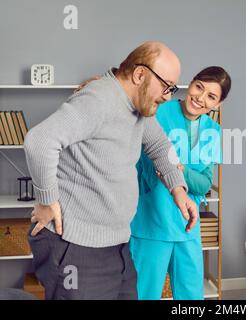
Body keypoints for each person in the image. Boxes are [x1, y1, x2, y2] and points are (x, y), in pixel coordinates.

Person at [24, 41, 198, 300]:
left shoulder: (138, 108)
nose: (168, 96)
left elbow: (160, 145)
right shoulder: (99, 99)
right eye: (166, 86)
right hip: (76, 246)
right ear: (140, 75)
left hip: (116, 245)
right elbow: (39, 141)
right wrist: (47, 201)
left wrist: (178, 187)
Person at [130, 66, 231, 299]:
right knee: (145, 294)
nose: (200, 98)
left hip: (187, 227)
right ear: (191, 83)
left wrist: (177, 168)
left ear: (217, 104)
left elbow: (204, 184)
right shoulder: (157, 111)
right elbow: (142, 165)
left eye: (211, 96)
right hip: (151, 223)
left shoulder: (212, 132)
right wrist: (170, 167)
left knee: (192, 298)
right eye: (199, 87)